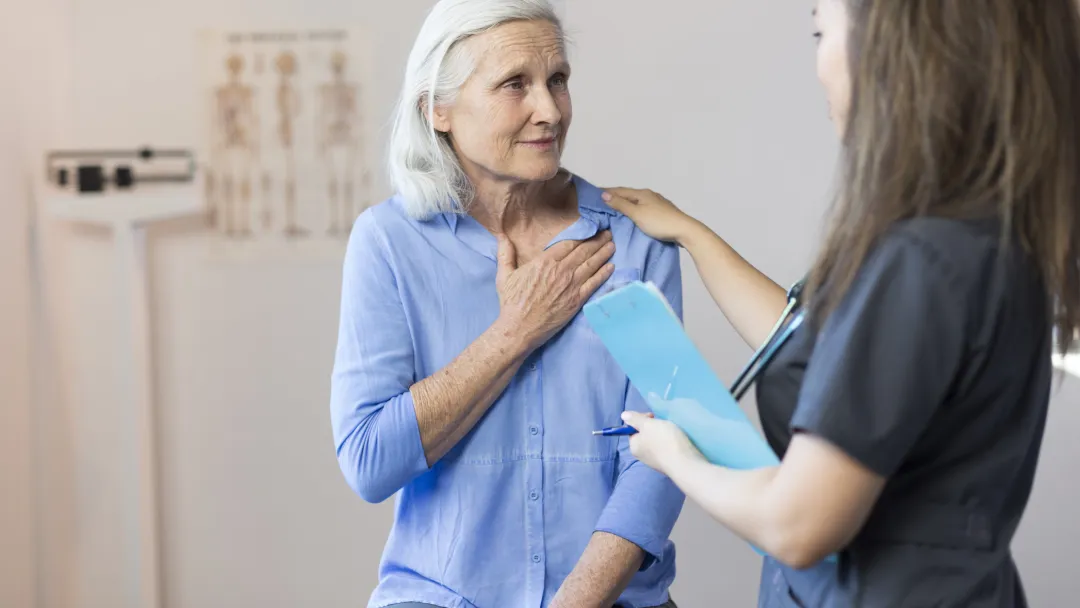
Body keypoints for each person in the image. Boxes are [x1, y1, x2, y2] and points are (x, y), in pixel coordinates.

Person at [604, 0, 1080, 606]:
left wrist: (676, 458)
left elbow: (797, 526)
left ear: (892, 52)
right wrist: (694, 236)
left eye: (820, 31)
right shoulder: (986, 233)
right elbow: (816, 347)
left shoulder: (921, 260)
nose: (819, 64)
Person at [328, 1, 684, 607]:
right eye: (514, 84)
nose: (549, 110)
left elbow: (662, 451)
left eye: (558, 80)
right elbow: (369, 461)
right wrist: (513, 334)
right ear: (436, 109)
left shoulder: (632, 240)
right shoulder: (388, 243)